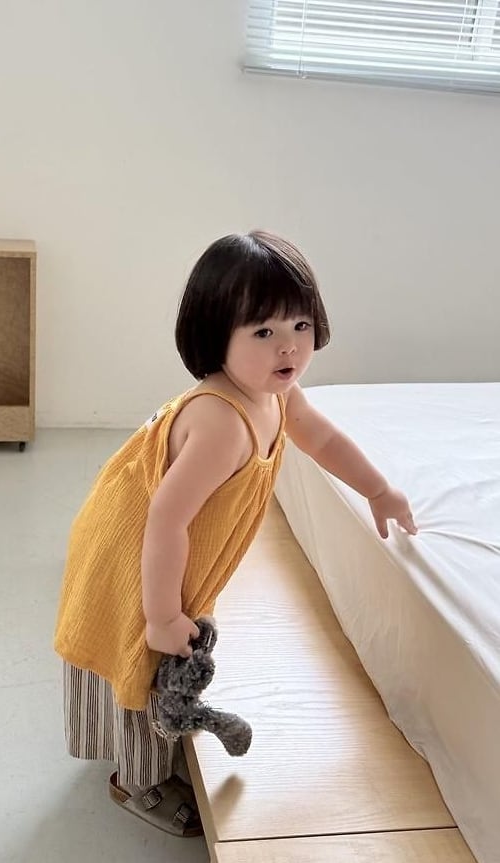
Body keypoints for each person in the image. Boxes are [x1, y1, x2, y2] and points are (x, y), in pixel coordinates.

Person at [54, 230, 417, 838]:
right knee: (145, 656)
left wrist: (377, 489)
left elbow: (323, 439)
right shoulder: (221, 421)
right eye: (263, 332)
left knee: (166, 654)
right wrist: (162, 615)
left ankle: (157, 729)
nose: (289, 346)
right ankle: (136, 782)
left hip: (169, 545)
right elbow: (165, 520)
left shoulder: (278, 395)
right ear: (216, 333)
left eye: (300, 325)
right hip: (135, 551)